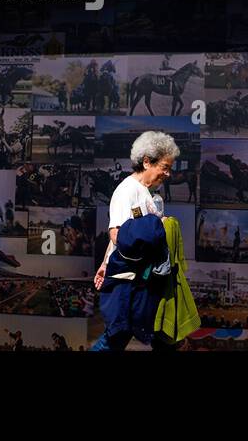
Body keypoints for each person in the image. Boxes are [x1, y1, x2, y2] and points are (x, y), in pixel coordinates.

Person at [91, 131, 177, 352]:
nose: (168, 173)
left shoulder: (146, 193)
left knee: (121, 336)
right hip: (128, 281)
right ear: (147, 162)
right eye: (165, 167)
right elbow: (117, 234)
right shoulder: (128, 191)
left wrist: (104, 264)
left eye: (170, 168)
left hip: (138, 278)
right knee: (115, 338)